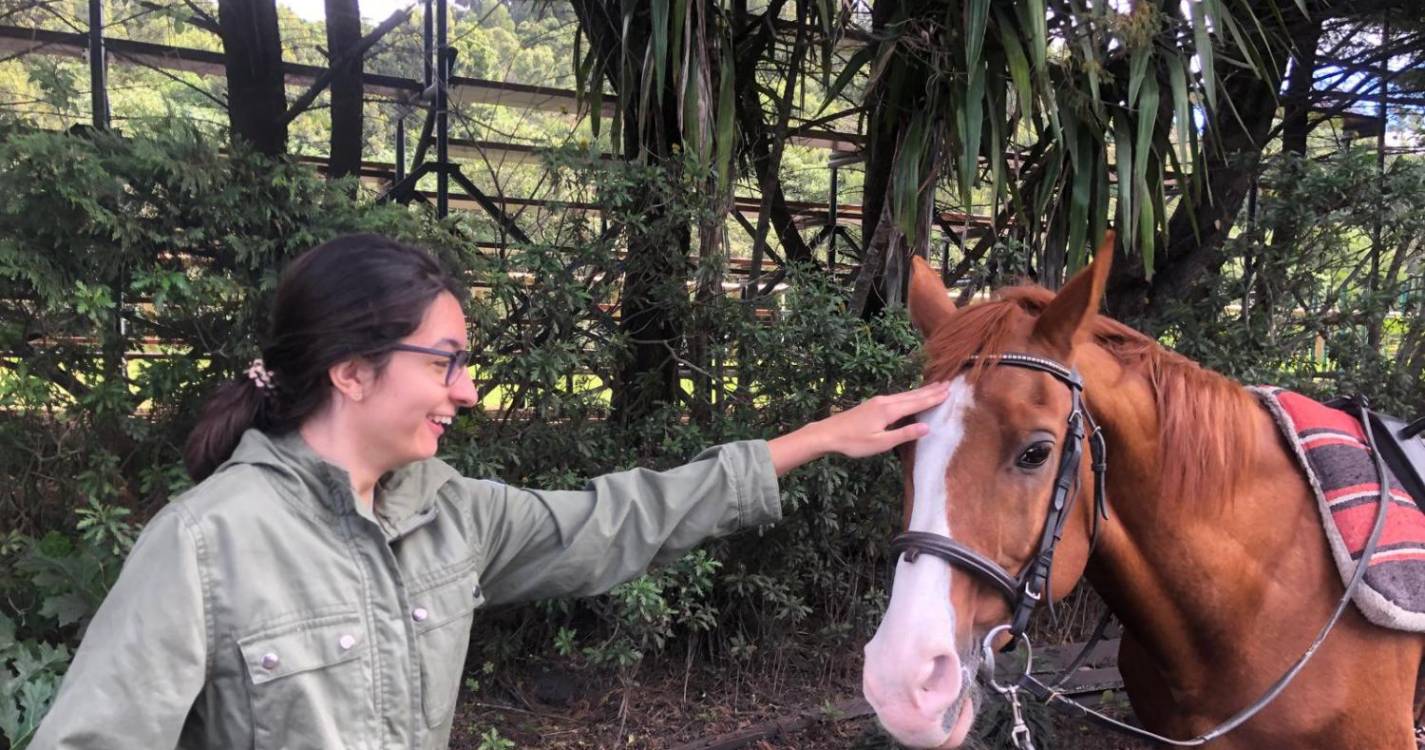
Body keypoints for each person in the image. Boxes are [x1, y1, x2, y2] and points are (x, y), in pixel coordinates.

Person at [30, 234, 949, 750]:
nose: (468, 390)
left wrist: (819, 438)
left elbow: (619, 519)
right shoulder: (203, 545)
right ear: (352, 371)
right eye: (446, 362)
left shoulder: (449, 513)